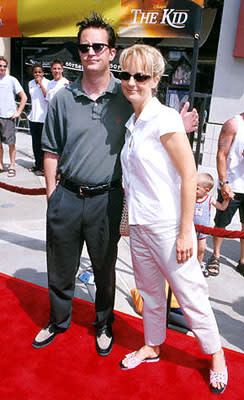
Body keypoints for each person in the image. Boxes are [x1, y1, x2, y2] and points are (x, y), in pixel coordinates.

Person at [32, 13, 198, 357]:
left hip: (106, 199)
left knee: (105, 267)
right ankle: (57, 320)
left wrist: (178, 127)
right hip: (66, 194)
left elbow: (156, 125)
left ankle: (104, 323)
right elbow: (50, 151)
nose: (90, 52)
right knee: (60, 265)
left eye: (98, 46)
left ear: (111, 52)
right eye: (84, 47)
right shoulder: (62, 98)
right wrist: (52, 197)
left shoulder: (127, 94)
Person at [119, 44, 227, 394]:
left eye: (140, 76)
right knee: (150, 292)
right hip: (139, 226)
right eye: (126, 74)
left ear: (155, 79)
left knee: (191, 293)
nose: (131, 82)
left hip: (167, 227)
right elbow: (134, 180)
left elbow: (189, 174)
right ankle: (152, 344)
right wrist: (126, 219)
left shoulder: (163, 118)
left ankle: (217, 356)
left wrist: (185, 231)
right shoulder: (133, 122)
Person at [207, 112, 244, 277]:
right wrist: (223, 183)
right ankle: (215, 255)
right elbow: (221, 154)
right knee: (221, 223)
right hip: (232, 186)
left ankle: (243, 261)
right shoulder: (233, 124)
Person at [194, 172, 231, 277]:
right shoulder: (191, 197)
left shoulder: (209, 199)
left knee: (201, 249)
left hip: (203, 231)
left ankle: (199, 264)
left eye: (197, 188)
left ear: (206, 190)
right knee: (190, 247)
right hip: (191, 229)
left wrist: (227, 200)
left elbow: (222, 207)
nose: (194, 190)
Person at [0, 56, 27, 177]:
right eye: (0, 66)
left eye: (4, 66)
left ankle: (11, 166)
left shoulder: (12, 80)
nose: (2, 68)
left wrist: (18, 112)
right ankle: (0, 164)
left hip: (8, 117)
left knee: (11, 143)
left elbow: (24, 97)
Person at [28, 64, 50, 176]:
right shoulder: (30, 83)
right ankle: (37, 164)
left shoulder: (48, 83)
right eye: (35, 72)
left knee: (43, 145)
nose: (37, 74)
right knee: (35, 144)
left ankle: (43, 167)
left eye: (39, 72)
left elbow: (47, 97)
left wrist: (41, 84)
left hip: (44, 118)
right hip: (33, 118)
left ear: (43, 73)